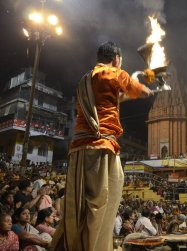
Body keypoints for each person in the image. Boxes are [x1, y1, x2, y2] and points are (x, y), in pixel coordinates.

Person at [52, 41, 154, 251]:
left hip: (79, 149)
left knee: (81, 205)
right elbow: (141, 91)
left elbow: (110, 100)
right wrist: (149, 83)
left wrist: (129, 92)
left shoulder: (85, 80)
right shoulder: (115, 72)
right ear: (116, 59)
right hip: (101, 147)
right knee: (100, 204)